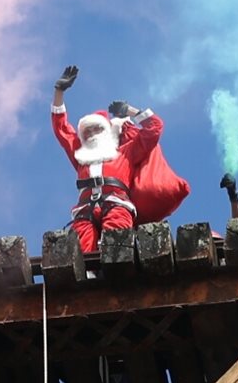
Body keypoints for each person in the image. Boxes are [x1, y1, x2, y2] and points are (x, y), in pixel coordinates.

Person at [52, 65, 163, 252]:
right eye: (87, 131)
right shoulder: (80, 155)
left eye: (97, 128)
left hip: (116, 205)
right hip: (84, 211)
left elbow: (154, 128)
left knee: (117, 248)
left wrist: (130, 110)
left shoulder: (125, 152)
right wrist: (59, 92)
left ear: (107, 131)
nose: (92, 133)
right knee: (82, 256)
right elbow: (61, 128)